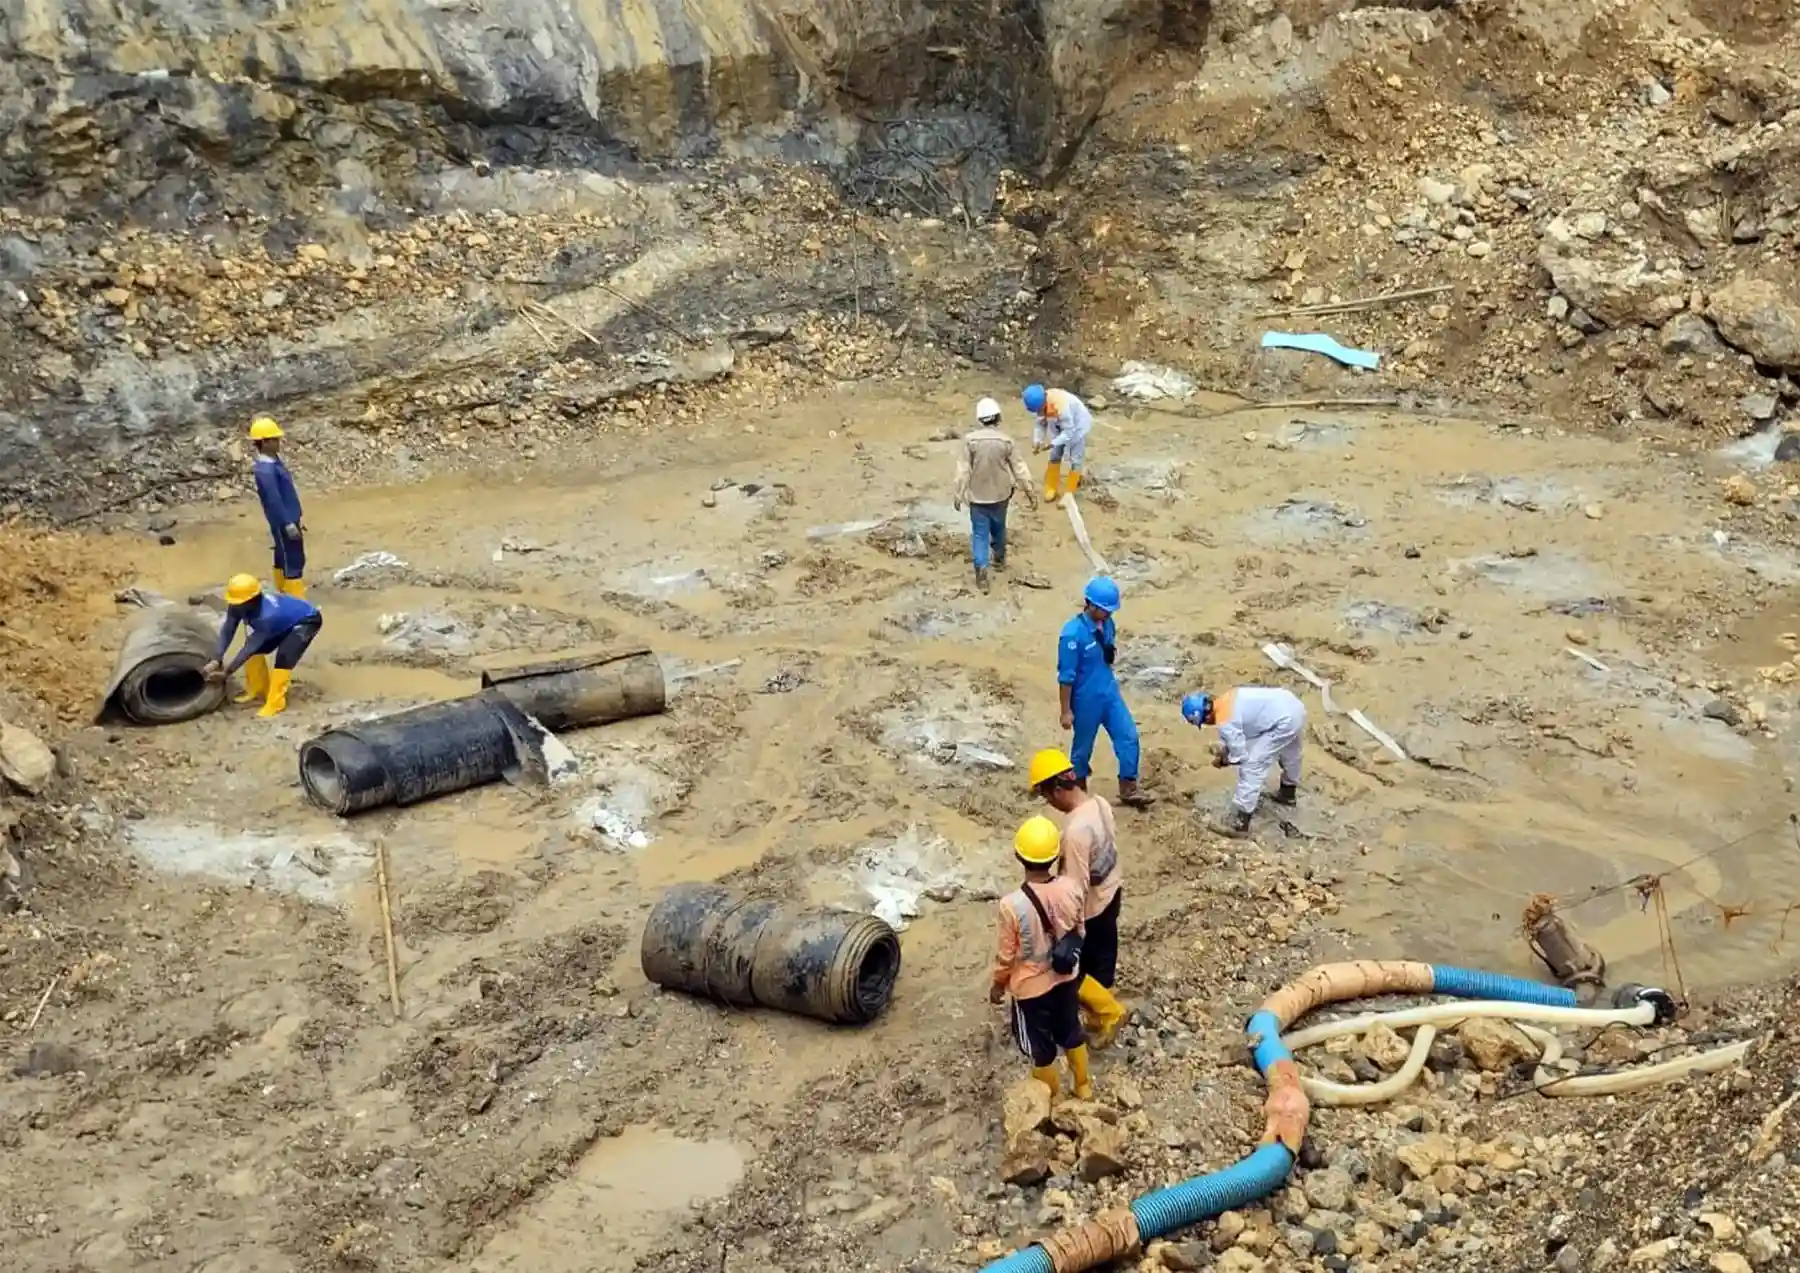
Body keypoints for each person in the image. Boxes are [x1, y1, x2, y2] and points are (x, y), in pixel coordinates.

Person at [1028, 747, 1129, 1047]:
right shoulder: (1099, 804)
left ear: (1057, 789)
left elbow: (1075, 888)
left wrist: (1070, 931)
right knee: (1103, 962)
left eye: (1047, 795)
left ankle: (1108, 1014)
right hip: (1111, 892)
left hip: (1091, 909)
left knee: (1073, 973)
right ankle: (1102, 1012)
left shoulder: (1074, 832)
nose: (1049, 802)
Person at [990, 815, 1092, 1101]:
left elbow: (1006, 956)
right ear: (1056, 854)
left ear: (1017, 855)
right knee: (1072, 1031)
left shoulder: (1011, 905)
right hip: (1066, 976)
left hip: (1031, 990)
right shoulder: (1072, 888)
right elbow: (1079, 930)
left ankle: (1051, 1097)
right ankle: (1083, 1086)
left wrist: (998, 985)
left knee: (1041, 1047)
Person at [1056, 576, 1150, 807]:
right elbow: (1066, 677)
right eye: (1105, 610)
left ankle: (1129, 786)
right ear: (1090, 605)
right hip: (1085, 699)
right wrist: (1066, 711)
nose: (1108, 615)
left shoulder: (1108, 625)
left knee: (1128, 735)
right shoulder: (1071, 635)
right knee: (1082, 748)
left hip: (1108, 692)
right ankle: (1077, 790)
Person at [1181, 686, 1307, 837]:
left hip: (1283, 721)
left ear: (1204, 718)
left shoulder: (1224, 721)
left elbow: (1240, 755)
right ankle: (1288, 792)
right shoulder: (1227, 699)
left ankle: (1241, 821)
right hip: (1293, 705)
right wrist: (1228, 750)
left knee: (1252, 766)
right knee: (1291, 751)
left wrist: (1225, 760)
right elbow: (1247, 730)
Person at [203, 573, 323, 718]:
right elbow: (228, 629)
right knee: (255, 652)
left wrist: (227, 673)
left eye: (238, 603)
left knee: (284, 656)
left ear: (252, 600)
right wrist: (216, 658)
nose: (235, 606)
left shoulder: (267, 616)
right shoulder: (238, 605)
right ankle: (258, 689)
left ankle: (276, 702)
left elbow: (251, 646)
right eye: (233, 602)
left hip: (307, 620)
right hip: (282, 621)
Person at [952, 396, 1038, 594]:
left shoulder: (970, 441)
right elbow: (1019, 468)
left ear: (980, 419)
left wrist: (959, 493)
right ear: (998, 417)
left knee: (980, 534)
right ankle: (999, 560)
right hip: (1001, 495)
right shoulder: (1006, 441)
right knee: (999, 528)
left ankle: (981, 569)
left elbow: (963, 469)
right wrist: (1030, 491)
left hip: (977, 497)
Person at [249, 416, 307, 599]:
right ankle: (296, 599)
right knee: (293, 558)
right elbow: (273, 499)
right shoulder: (266, 470)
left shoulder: (272, 462)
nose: (278, 443)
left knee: (283, 554)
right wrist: (287, 522)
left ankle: (282, 591)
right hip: (284, 519)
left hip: (287, 517)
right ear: (263, 442)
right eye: (274, 440)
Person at [1022, 383, 1094, 504]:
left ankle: (1070, 492)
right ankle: (1051, 487)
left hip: (1076, 427)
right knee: (1054, 455)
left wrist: (1052, 442)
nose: (1038, 413)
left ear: (1043, 403)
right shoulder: (1041, 403)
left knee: (1075, 458)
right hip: (1059, 426)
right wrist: (1037, 441)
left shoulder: (1062, 406)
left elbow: (1069, 431)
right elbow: (1040, 423)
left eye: (1039, 410)